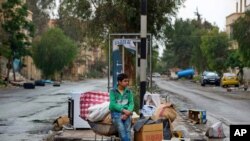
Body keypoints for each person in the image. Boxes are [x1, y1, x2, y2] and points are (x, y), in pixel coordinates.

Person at [109, 73, 134, 141]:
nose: (127, 83)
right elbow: (112, 105)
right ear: (119, 82)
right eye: (125, 81)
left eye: (127, 81)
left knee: (128, 131)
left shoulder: (129, 92)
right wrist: (123, 110)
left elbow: (131, 103)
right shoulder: (113, 91)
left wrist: (127, 113)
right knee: (122, 130)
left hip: (127, 113)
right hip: (116, 114)